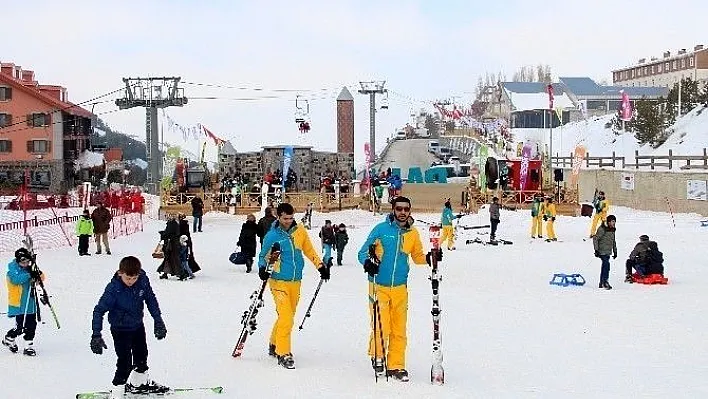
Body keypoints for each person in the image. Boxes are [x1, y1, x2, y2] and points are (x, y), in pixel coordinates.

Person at [357, 196, 431, 382]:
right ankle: (378, 355)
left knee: (399, 329)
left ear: (410, 211)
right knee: (382, 325)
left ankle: (396, 365)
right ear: (393, 210)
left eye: (406, 209)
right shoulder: (381, 230)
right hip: (379, 285)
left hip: (400, 287)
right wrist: (368, 263)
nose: (403, 212)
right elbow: (362, 251)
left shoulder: (412, 233)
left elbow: (417, 256)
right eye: (399, 209)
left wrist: (430, 258)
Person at [258, 202, 329, 369]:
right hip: (278, 280)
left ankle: (274, 343)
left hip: (296, 281)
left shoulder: (300, 231)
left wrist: (320, 266)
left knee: (287, 315)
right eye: (285, 218)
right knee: (286, 317)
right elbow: (262, 256)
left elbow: (309, 250)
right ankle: (283, 352)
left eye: (291, 218)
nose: (289, 221)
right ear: (278, 216)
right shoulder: (272, 236)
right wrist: (262, 268)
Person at [91, 256, 168, 398]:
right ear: (120, 273)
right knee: (125, 363)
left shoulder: (142, 281)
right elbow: (99, 310)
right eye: (128, 278)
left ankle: (138, 385)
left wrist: (158, 320)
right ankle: (117, 393)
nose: (131, 282)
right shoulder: (113, 289)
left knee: (141, 357)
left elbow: (150, 299)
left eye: (134, 278)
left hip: (137, 326)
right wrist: (96, 334)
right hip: (120, 330)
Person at [2, 248, 44, 356]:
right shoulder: (12, 271)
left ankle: (28, 346)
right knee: (20, 327)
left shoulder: (29, 269)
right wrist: (29, 275)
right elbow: (16, 280)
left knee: (31, 325)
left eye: (27, 262)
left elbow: (42, 278)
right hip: (19, 304)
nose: (25, 264)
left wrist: (37, 273)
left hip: (30, 304)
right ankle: (10, 337)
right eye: (23, 262)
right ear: (18, 261)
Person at [593, 214, 617, 290]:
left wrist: (615, 251)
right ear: (609, 221)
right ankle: (605, 282)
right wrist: (596, 250)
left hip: (608, 251)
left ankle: (601, 283)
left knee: (605, 266)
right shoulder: (602, 228)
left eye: (615, 222)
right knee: (606, 264)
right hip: (601, 251)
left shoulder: (612, 229)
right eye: (612, 221)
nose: (614, 223)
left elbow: (613, 241)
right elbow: (595, 239)